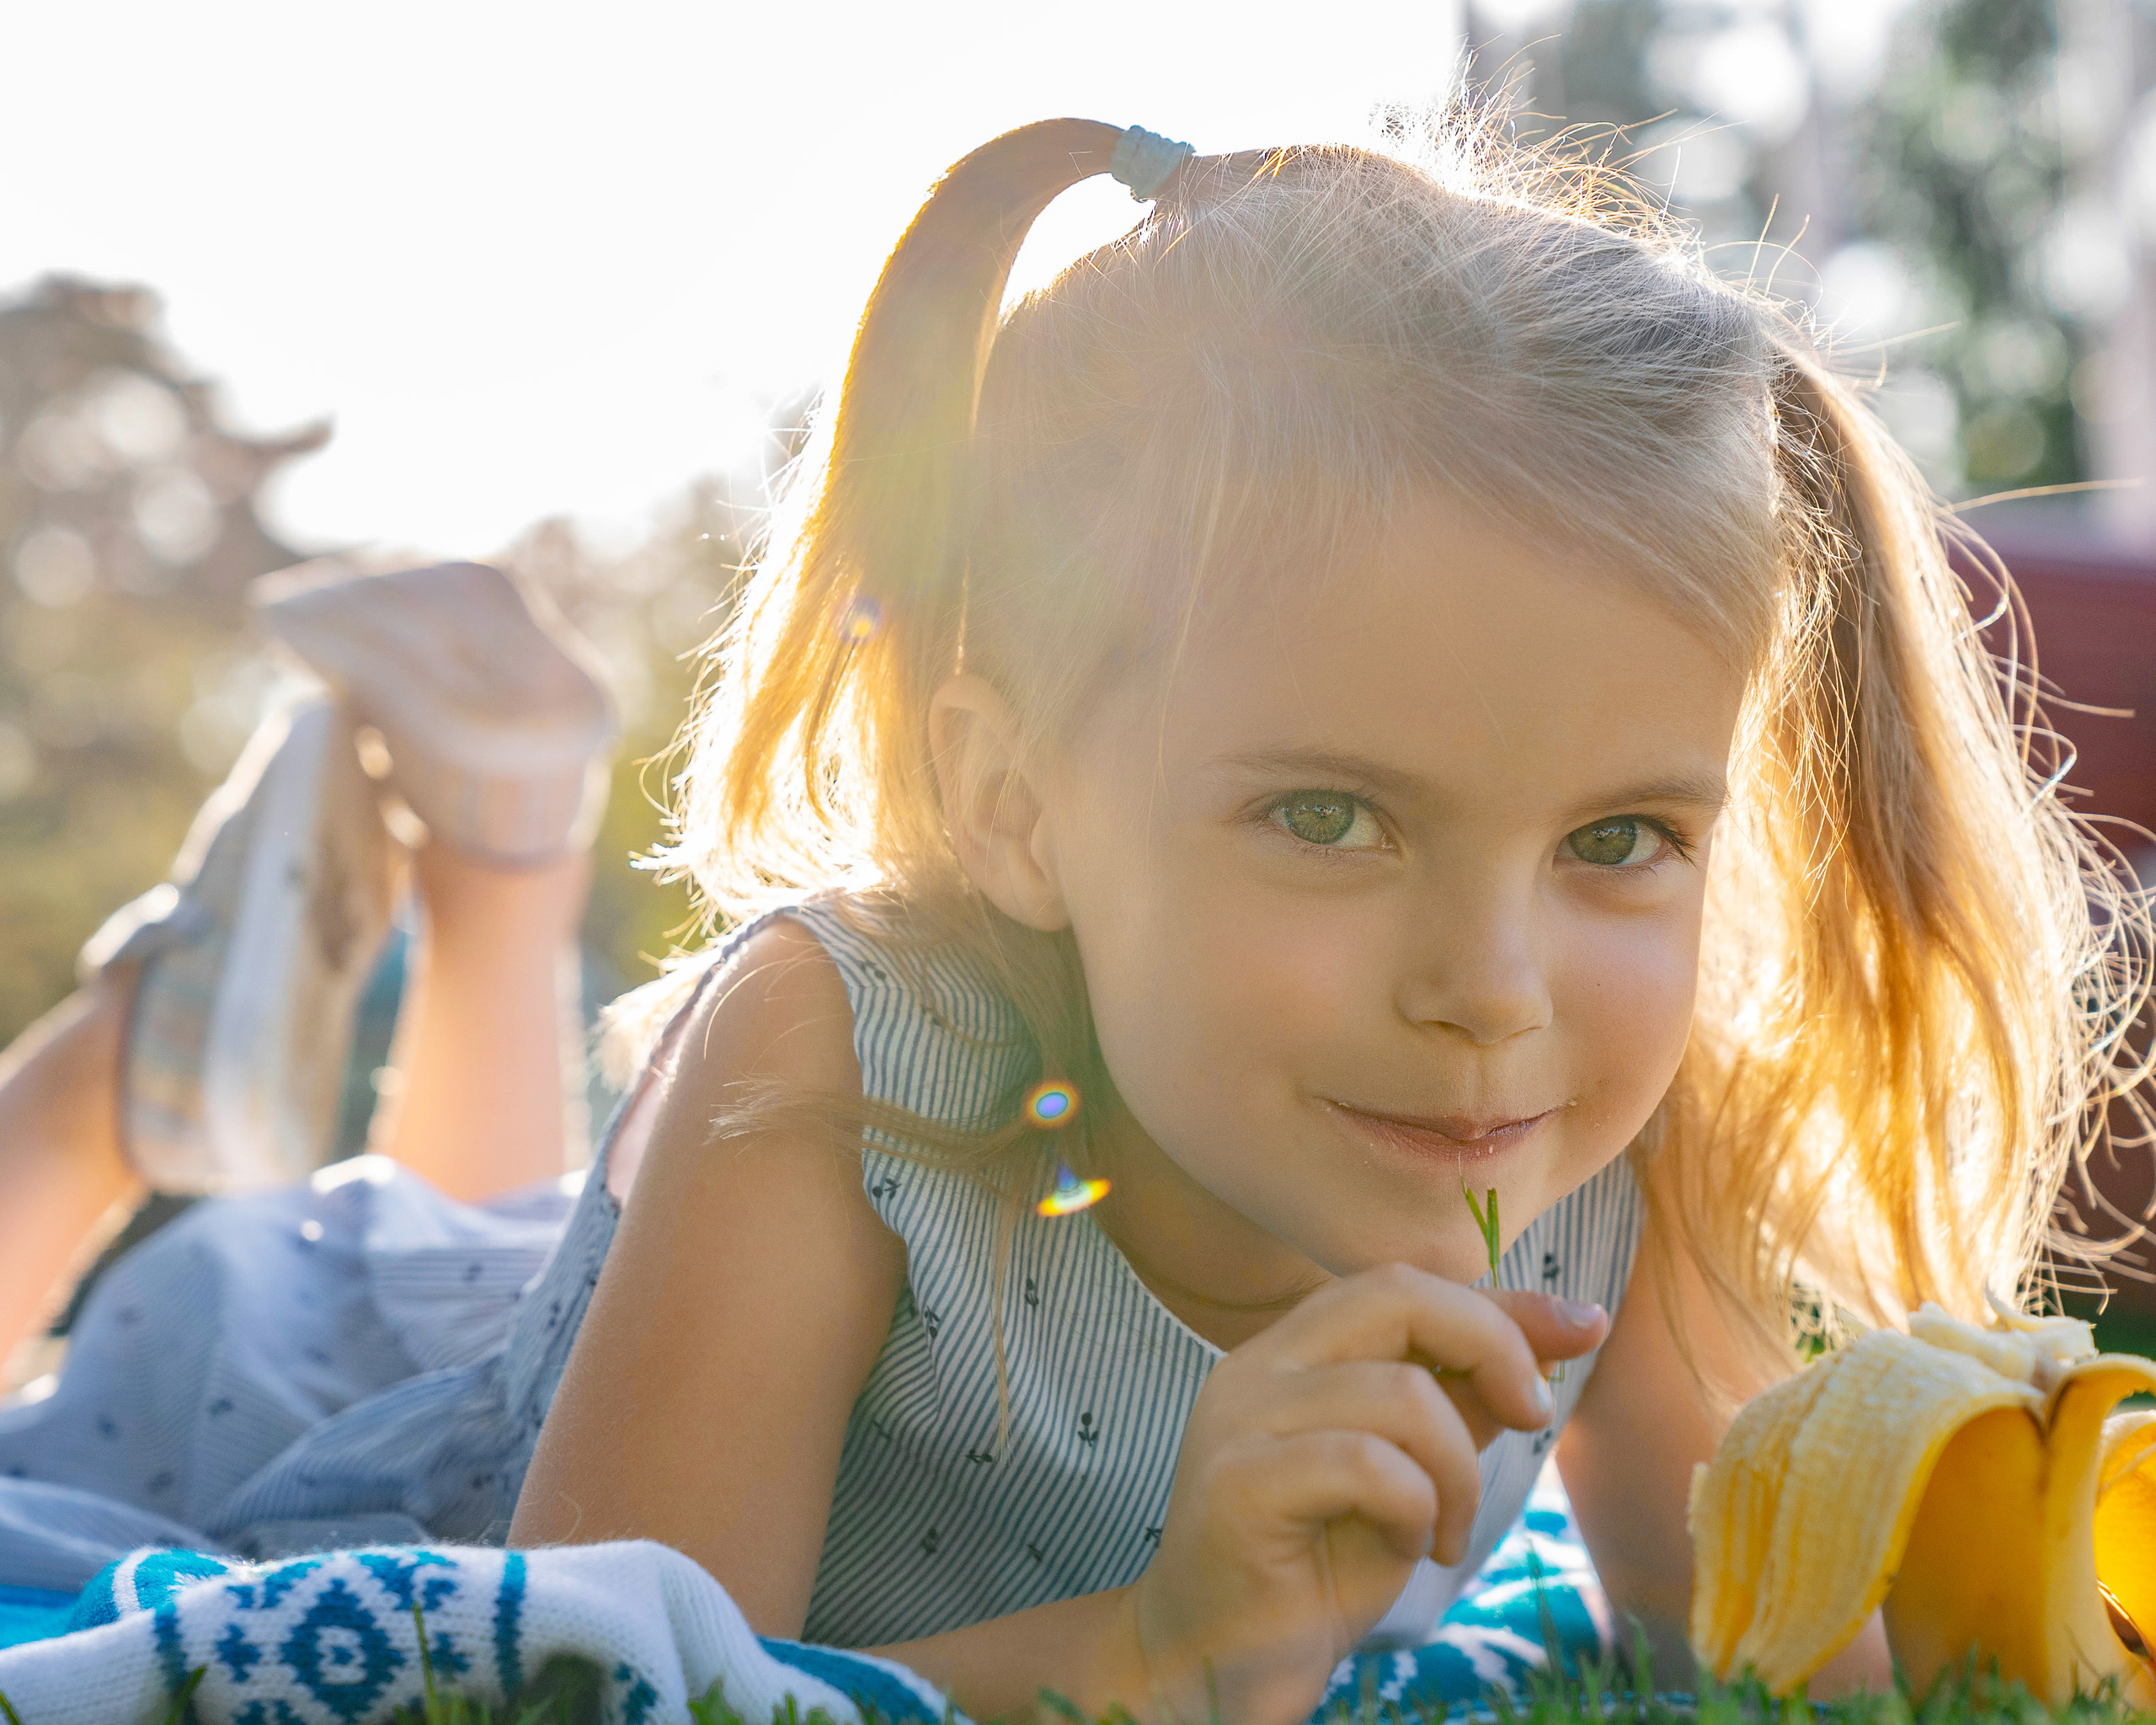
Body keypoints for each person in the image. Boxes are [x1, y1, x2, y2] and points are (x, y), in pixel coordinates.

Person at [0, 109, 2143, 1725]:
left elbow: (1744, 1632)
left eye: (1618, 841)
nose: (1490, 996)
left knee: (529, 1215)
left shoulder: (1606, 1139)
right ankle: (145, 1059)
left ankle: (485, 851)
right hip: (332, 1393)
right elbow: (623, 1661)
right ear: (1015, 802)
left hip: (571, 1280)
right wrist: (1147, 1648)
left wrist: (2037, 1594)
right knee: (275, 1282)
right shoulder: (850, 1048)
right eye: (1329, 813)